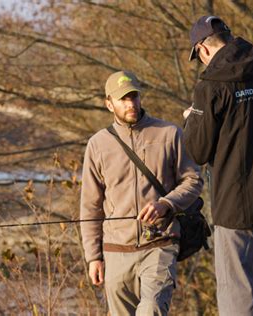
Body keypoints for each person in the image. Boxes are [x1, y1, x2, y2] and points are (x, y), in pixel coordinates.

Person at [183, 16, 253, 316]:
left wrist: (191, 118)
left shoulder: (210, 87)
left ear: (203, 50)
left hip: (235, 205)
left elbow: (198, 149)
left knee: (236, 291)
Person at [80, 70, 202, 315]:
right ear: (108, 104)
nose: (131, 103)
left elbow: (193, 180)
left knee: (151, 309)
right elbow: (90, 205)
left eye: (134, 96)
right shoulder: (98, 144)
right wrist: (93, 256)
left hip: (160, 242)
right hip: (116, 250)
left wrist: (166, 204)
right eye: (123, 99)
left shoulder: (169, 133)